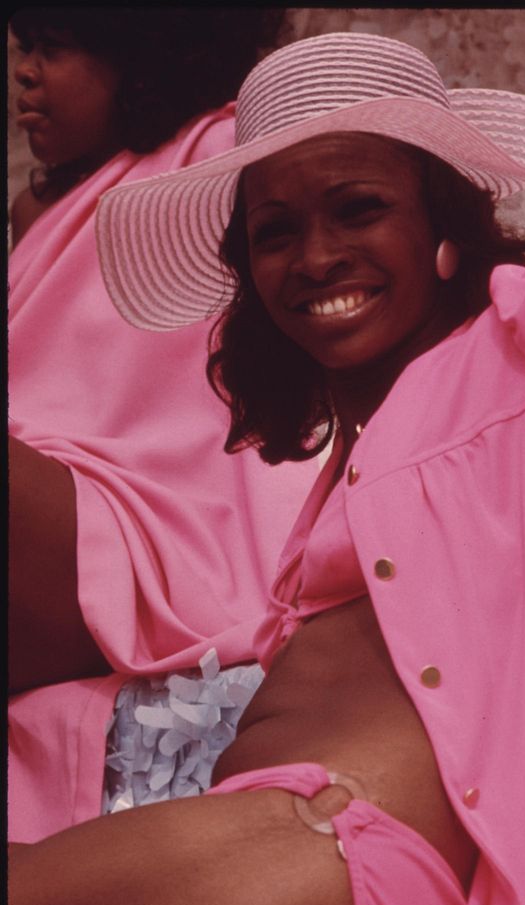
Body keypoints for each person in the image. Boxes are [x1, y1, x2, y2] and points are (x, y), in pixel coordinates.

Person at [9, 11, 525, 905]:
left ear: (444, 223)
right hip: (302, 865)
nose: (315, 257)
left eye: (358, 208)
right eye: (276, 232)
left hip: (350, 858)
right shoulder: (342, 467)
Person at [8, 7, 318, 841]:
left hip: (162, 534)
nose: (24, 73)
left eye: (53, 47)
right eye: (21, 45)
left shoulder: (232, 157)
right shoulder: (38, 209)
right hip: (50, 503)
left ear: (140, 54)